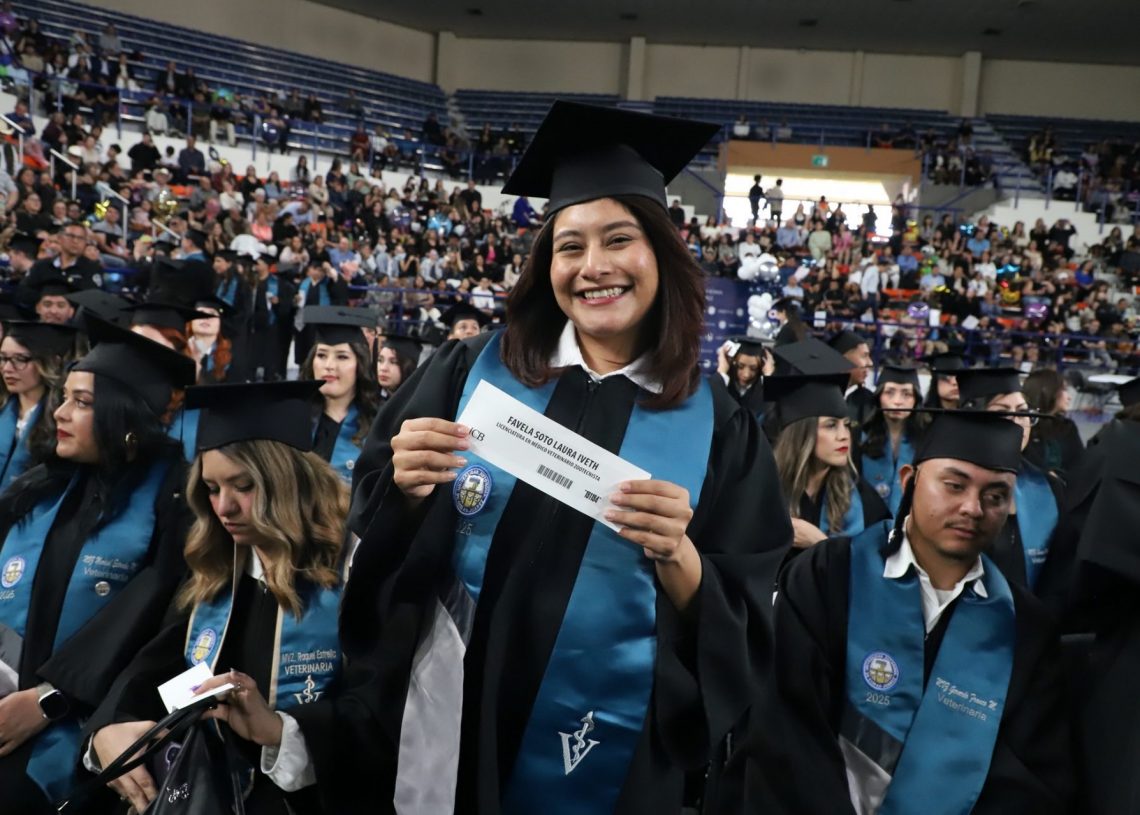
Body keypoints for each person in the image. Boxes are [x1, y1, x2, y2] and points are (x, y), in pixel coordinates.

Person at [343, 102, 792, 814]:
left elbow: (746, 620)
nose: (594, 267)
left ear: (661, 254)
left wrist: (679, 557)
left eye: (619, 239)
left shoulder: (720, 426)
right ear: (545, 265)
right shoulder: (469, 371)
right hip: (455, 709)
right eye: (569, 246)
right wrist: (403, 488)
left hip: (604, 744)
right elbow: (370, 526)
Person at [743, 411, 1074, 814]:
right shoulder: (830, 574)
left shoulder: (1023, 627)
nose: (973, 508)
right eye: (954, 486)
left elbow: (1029, 778)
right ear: (908, 481)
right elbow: (786, 724)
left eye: (995, 496)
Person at [86, 380, 352, 814]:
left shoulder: (352, 571)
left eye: (243, 485)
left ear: (290, 480)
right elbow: (152, 674)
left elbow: (377, 717)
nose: (223, 508)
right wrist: (109, 729)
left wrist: (279, 731)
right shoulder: (216, 569)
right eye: (211, 488)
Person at [0, 318, 194, 812]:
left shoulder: (176, 499)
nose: (59, 412)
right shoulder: (42, 487)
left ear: (123, 415)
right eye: (65, 397)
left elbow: (156, 622)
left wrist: (50, 699)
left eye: (82, 402)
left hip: (88, 732)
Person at [956, 368, 1065, 595]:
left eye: (1023, 412)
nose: (1018, 423)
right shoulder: (951, 489)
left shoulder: (1049, 487)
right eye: (1002, 412)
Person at [770, 372, 890, 548]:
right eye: (831, 425)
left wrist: (819, 543)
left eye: (846, 425)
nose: (844, 436)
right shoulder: (765, 491)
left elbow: (874, 557)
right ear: (802, 435)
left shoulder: (861, 496)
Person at [300, 306, 381, 484]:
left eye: (342, 357)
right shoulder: (294, 418)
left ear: (360, 365)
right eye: (321, 355)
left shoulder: (378, 426)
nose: (329, 365)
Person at [0, 322, 75, 492]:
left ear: (49, 362)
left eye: (20, 359)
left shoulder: (61, 417)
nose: (7, 368)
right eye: (3, 358)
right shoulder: (3, 408)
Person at [859, 366, 925, 517]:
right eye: (889, 392)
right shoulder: (861, 438)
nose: (897, 401)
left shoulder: (926, 441)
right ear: (879, 396)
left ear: (916, 400)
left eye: (906, 394)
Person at [1022, 369, 1083, 479]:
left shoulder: (1067, 427)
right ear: (1048, 391)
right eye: (1064, 390)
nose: (1069, 397)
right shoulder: (1025, 425)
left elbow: (1080, 464)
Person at [714, 336, 771, 423]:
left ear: (761, 366)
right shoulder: (723, 385)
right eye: (740, 366)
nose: (746, 374)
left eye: (753, 368)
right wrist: (722, 370)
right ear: (733, 362)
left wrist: (769, 376)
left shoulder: (763, 389)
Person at [829, 330, 875, 432]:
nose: (870, 363)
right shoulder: (821, 397)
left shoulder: (868, 400)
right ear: (843, 359)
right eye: (864, 356)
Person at [375, 334, 423, 402]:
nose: (383, 368)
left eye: (394, 362)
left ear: (409, 366)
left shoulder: (417, 403)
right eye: (380, 360)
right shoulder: (370, 400)